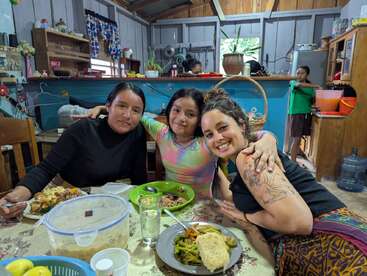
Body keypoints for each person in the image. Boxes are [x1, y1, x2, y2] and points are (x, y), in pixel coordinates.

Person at [201, 88, 367, 275]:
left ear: (241, 125)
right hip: (343, 233)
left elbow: (299, 223)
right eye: (209, 134)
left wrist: (247, 217)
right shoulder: (248, 154)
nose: (217, 138)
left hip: (337, 248)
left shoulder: (248, 158)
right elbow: (241, 198)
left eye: (223, 128)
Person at [88, 88, 280, 199]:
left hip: (203, 206)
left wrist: (269, 138)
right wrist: (103, 109)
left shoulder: (208, 141)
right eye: (176, 110)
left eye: (190, 114)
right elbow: (139, 116)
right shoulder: (162, 133)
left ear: (200, 120)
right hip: (170, 202)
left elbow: (248, 133)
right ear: (169, 110)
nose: (181, 119)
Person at [0, 82, 148, 219]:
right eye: (121, 106)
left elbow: (139, 176)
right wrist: (18, 194)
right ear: (108, 106)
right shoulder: (82, 129)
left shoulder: (138, 132)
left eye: (136, 110)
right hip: (70, 200)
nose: (127, 115)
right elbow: (46, 169)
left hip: (111, 204)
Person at [288, 65, 321, 161]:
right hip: (296, 114)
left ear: (307, 75)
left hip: (306, 114)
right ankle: (293, 162)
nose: (299, 75)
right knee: (296, 139)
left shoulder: (310, 88)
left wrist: (314, 106)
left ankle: (295, 160)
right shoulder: (294, 82)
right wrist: (316, 86)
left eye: (302, 73)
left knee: (300, 139)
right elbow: (299, 85)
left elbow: (312, 101)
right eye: (298, 73)